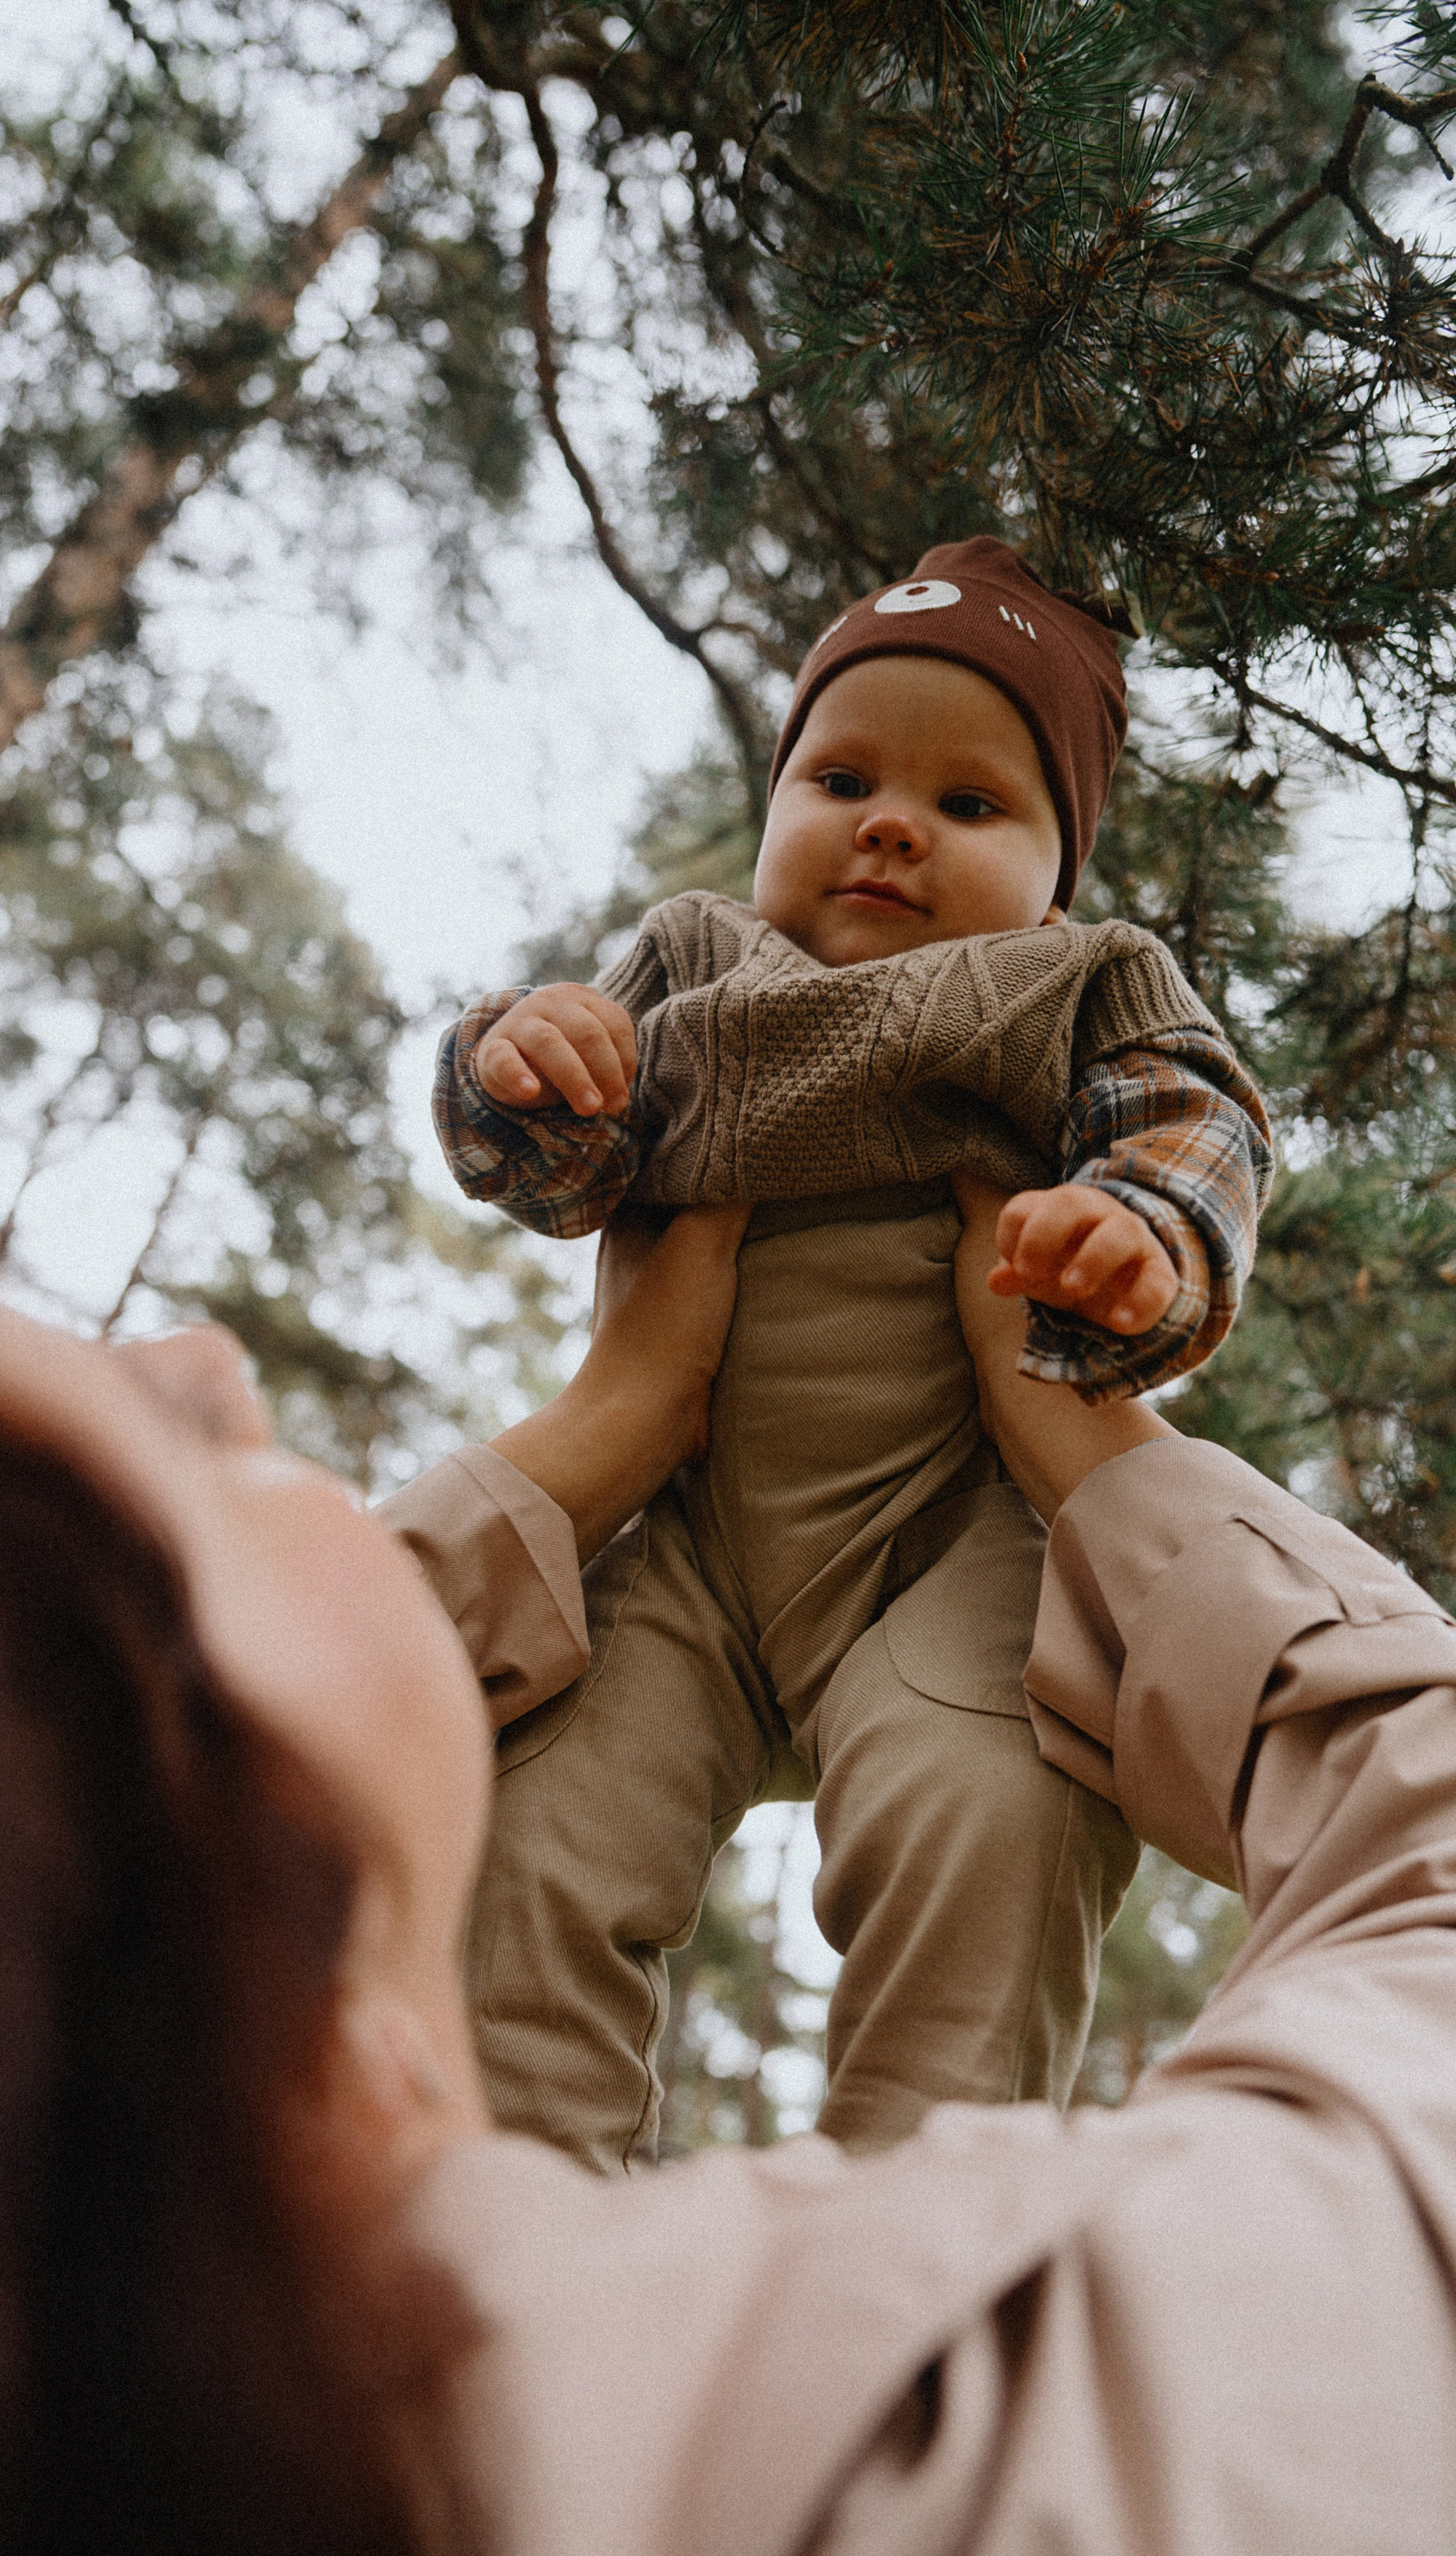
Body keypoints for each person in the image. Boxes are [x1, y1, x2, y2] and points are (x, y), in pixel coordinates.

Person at [0, 1194, 1456, 2556]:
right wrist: (1102, 1468)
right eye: (185, 1445)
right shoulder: (927, 2428)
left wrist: (599, 1430)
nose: (209, 1352)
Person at [433, 536, 1276, 2166]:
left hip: (944, 1539)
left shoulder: (1075, 981)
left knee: (1000, 1812)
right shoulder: (691, 962)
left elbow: (1193, 1124)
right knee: (528, 1822)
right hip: (672, 1540)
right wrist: (520, 1067)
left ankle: (914, 2233)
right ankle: (523, 2225)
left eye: (971, 806)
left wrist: (1139, 1241)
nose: (890, 822)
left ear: (1055, 871)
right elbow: (552, 1168)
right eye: (840, 776)